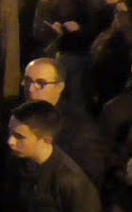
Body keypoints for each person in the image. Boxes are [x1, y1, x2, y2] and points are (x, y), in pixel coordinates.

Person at [22, 57, 113, 191]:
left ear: (60, 87)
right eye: (27, 81)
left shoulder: (80, 128)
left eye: (41, 83)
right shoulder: (19, 116)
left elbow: (88, 182)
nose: (30, 89)